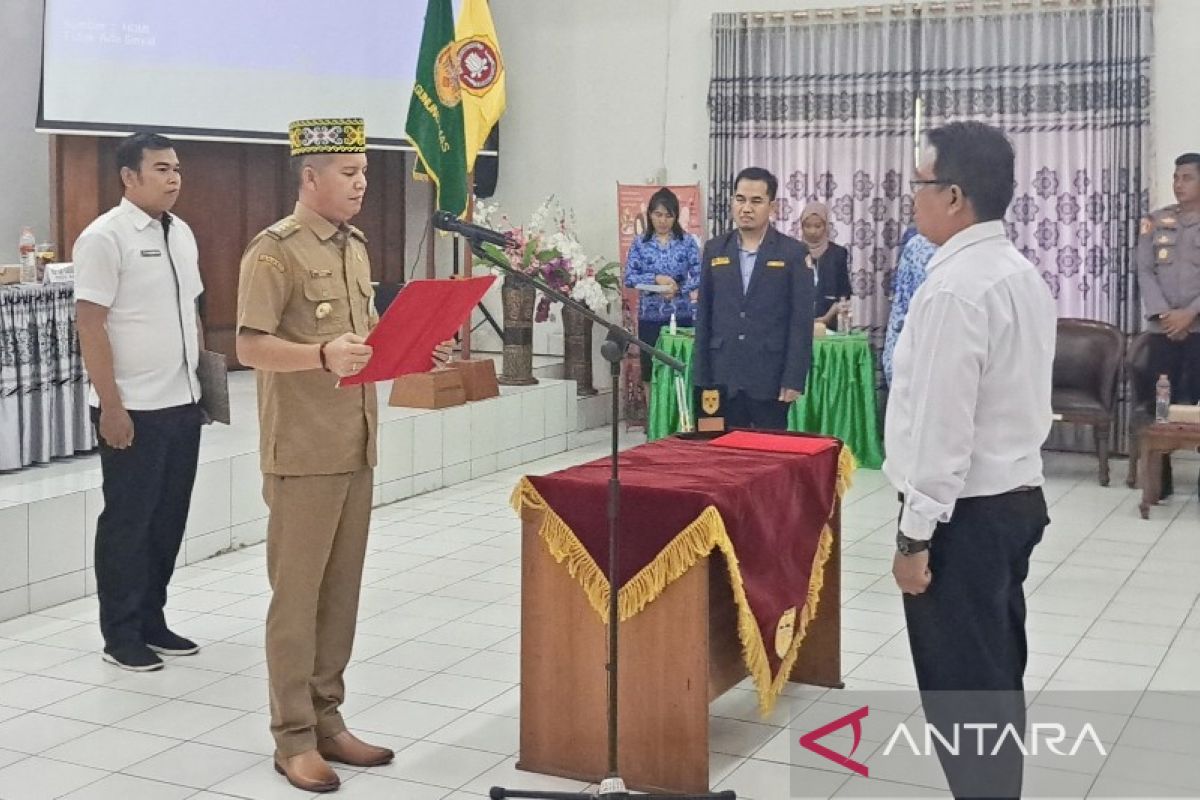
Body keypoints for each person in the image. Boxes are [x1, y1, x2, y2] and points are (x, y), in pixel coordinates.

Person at [235, 118, 451, 793]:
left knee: (340, 596)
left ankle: (329, 720)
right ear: (310, 176)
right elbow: (249, 347)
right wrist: (320, 356)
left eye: (363, 172)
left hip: (354, 444)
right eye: (349, 173)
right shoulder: (274, 252)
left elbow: (362, 343)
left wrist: (414, 347)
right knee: (296, 600)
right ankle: (292, 737)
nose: (361, 184)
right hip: (302, 450)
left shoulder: (353, 247)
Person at [886, 122, 1056, 799]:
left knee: (962, 688)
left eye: (920, 185)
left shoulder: (955, 289)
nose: (912, 199)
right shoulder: (1017, 274)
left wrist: (913, 537)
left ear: (954, 195)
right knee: (991, 673)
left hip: (964, 515)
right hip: (1011, 499)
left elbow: (941, 428)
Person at [74, 132, 204, 673]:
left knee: (168, 518)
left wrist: (203, 385)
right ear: (129, 177)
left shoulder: (181, 232)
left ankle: (152, 617)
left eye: (176, 167)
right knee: (129, 521)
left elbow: (190, 308)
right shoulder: (105, 237)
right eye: (160, 168)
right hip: (133, 405)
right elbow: (90, 324)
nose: (173, 177)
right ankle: (120, 632)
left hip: (181, 400)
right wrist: (113, 406)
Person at [693, 167, 814, 430]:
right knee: (718, 456)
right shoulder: (715, 249)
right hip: (720, 377)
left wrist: (794, 378)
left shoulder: (793, 253)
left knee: (765, 459)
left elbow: (801, 322)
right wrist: (701, 376)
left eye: (756, 201)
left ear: (772, 206)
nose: (746, 208)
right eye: (740, 199)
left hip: (769, 379)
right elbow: (704, 315)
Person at [1136, 152, 1200, 498]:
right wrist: (1165, 313)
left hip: (1199, 330)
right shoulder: (1156, 221)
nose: (1178, 184)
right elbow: (1145, 269)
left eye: (1187, 178)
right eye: (1176, 177)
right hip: (1164, 331)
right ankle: (1160, 484)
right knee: (1160, 405)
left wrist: (1190, 314)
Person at [623, 187, 701, 398]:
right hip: (650, 316)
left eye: (668, 215)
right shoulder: (640, 243)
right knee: (651, 369)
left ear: (675, 217)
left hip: (681, 315)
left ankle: (681, 423)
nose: (663, 220)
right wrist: (655, 279)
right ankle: (654, 423)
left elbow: (700, 275)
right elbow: (629, 277)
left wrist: (678, 288)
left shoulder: (687, 242)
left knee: (681, 368)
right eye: (658, 214)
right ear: (649, 215)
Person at [882, 232, 937, 386]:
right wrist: (891, 360)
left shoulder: (978, 251)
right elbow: (901, 304)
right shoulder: (916, 246)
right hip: (917, 345)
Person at [798, 202, 851, 330]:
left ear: (826, 226)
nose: (813, 231)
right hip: (799, 324)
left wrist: (825, 318)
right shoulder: (795, 252)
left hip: (831, 324)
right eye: (807, 226)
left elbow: (844, 293)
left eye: (818, 226)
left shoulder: (838, 253)